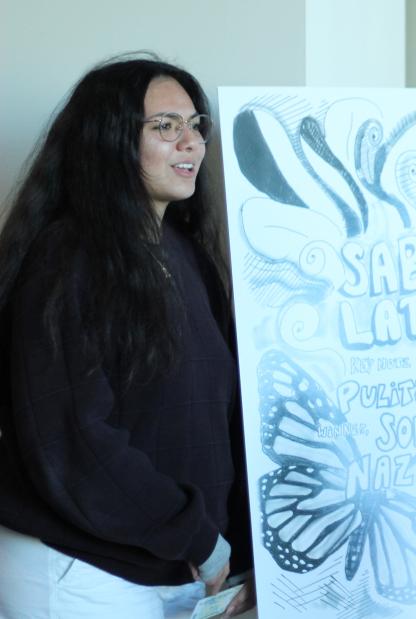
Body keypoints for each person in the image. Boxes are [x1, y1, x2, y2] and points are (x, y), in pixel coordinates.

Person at [0, 55, 255, 617]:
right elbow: (76, 440)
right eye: (165, 126)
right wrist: (199, 540)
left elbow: (220, 416)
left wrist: (240, 551)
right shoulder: (67, 261)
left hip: (175, 566)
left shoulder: (188, 254)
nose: (190, 143)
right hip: (80, 571)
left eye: (196, 126)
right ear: (109, 139)